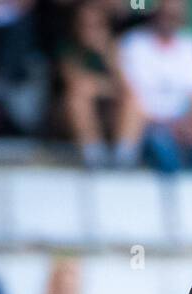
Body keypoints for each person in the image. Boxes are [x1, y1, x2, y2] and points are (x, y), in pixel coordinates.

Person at [118, 0, 192, 173]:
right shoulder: (134, 43)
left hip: (183, 121)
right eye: (165, 13)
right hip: (148, 123)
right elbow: (128, 94)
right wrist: (166, 124)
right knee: (162, 146)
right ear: (155, 13)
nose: (169, 19)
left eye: (174, 15)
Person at [56, 0, 137, 168]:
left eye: (95, 26)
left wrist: (106, 53)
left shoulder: (114, 48)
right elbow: (76, 83)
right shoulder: (68, 50)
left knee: (133, 100)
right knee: (78, 97)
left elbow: (125, 86)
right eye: (85, 25)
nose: (90, 31)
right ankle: (93, 156)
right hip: (67, 118)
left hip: (108, 113)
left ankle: (124, 157)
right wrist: (106, 87)